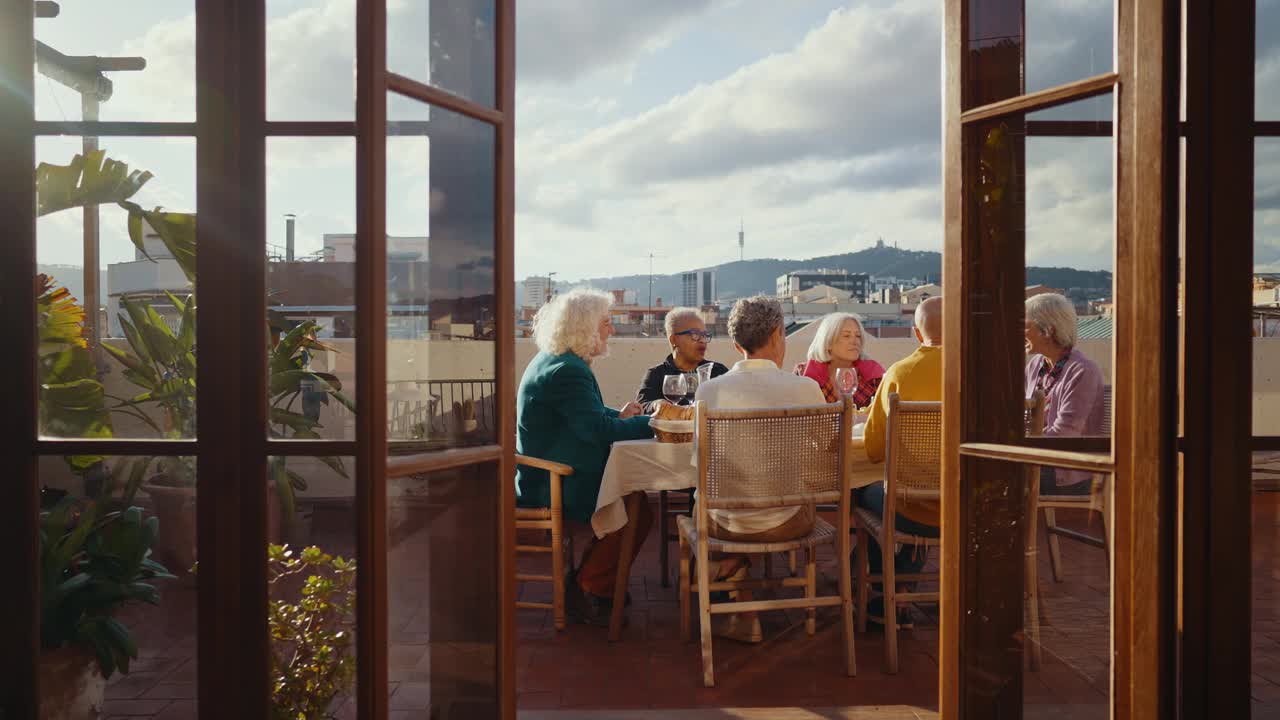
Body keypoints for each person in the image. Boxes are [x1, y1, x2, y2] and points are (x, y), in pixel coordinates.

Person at [516, 289, 655, 625]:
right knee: (634, 503)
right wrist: (652, 422)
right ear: (585, 328)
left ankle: (595, 580)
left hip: (550, 470)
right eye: (606, 323)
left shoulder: (556, 360)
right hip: (553, 480)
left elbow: (586, 413)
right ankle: (592, 583)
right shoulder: (569, 370)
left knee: (635, 500)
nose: (612, 330)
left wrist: (618, 416)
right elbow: (596, 429)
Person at [694, 296, 827, 642]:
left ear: (737, 344)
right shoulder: (807, 388)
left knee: (704, 502)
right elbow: (828, 449)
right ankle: (736, 586)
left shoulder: (709, 391)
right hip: (790, 522)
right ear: (778, 334)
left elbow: (701, 464)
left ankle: (731, 585)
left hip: (728, 526)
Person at [858, 297, 944, 624]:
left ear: (917, 334)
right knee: (909, 491)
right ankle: (902, 590)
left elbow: (874, 450)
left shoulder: (899, 374)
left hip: (914, 510)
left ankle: (883, 592)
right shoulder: (982, 371)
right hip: (970, 508)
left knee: (865, 492)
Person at [1024, 292, 1105, 494]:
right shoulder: (1036, 365)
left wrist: (1020, 450)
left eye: (1025, 326)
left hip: (1066, 468)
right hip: (1037, 457)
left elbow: (1065, 434)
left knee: (997, 480)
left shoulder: (1083, 371)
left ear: (1047, 331)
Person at [635, 307, 728, 414]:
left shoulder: (717, 372)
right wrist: (656, 405)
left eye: (704, 335)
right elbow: (642, 406)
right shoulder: (657, 374)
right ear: (674, 339)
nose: (703, 340)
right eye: (695, 334)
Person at [797, 312, 884, 408]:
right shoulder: (803, 374)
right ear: (828, 342)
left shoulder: (873, 375)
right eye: (846, 336)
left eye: (858, 336)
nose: (855, 341)